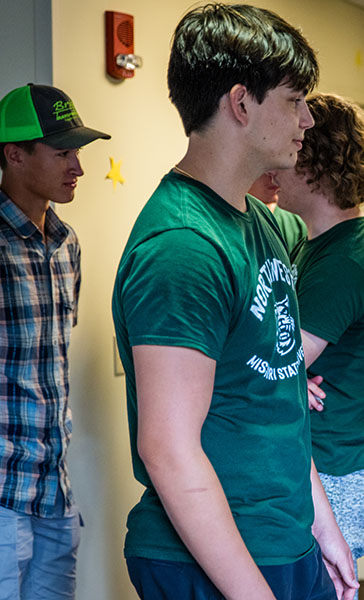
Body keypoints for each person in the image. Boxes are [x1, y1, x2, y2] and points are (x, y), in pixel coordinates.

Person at [111, 5, 356, 599]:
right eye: (295, 100)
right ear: (242, 103)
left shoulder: (255, 222)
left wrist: (322, 523)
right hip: (216, 557)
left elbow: (277, 394)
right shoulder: (184, 247)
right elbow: (168, 450)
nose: (307, 120)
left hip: (283, 537)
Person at [274, 93, 364, 592]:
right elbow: (279, 365)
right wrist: (283, 372)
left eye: (292, 149)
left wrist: (283, 373)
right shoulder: (319, 245)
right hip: (322, 460)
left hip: (329, 467)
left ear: (316, 168)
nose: (278, 163)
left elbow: (277, 365)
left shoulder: (345, 262)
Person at [0, 83, 109, 599]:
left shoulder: (68, 245)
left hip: (54, 487)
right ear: (14, 154)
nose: (78, 167)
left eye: (78, 152)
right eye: (63, 152)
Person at [249, 171, 308, 255]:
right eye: (266, 170)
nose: (272, 178)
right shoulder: (233, 222)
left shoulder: (295, 222)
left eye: (279, 169)